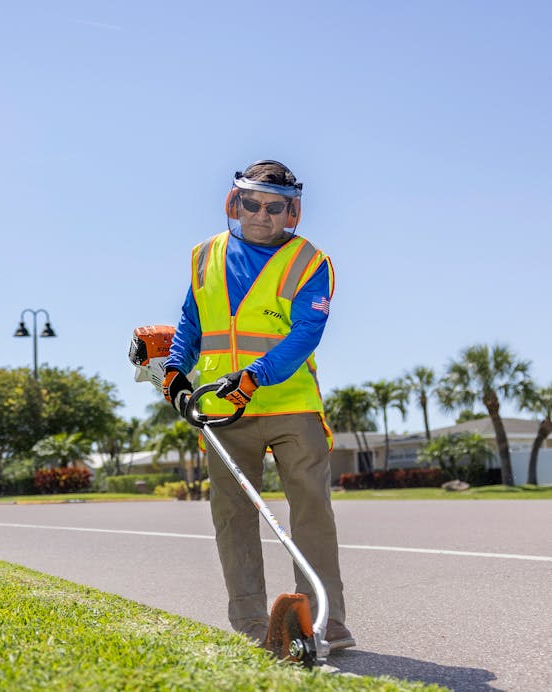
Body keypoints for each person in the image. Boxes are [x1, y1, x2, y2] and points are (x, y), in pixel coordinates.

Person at [162, 160, 354, 651]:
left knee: (311, 513)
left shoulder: (311, 263)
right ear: (235, 203)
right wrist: (175, 371)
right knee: (232, 517)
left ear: (291, 212)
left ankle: (325, 625)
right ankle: (251, 627)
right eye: (252, 203)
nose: (261, 215)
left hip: (291, 407)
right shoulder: (206, 256)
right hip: (225, 413)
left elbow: (304, 335)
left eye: (274, 207)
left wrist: (254, 377)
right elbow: (191, 320)